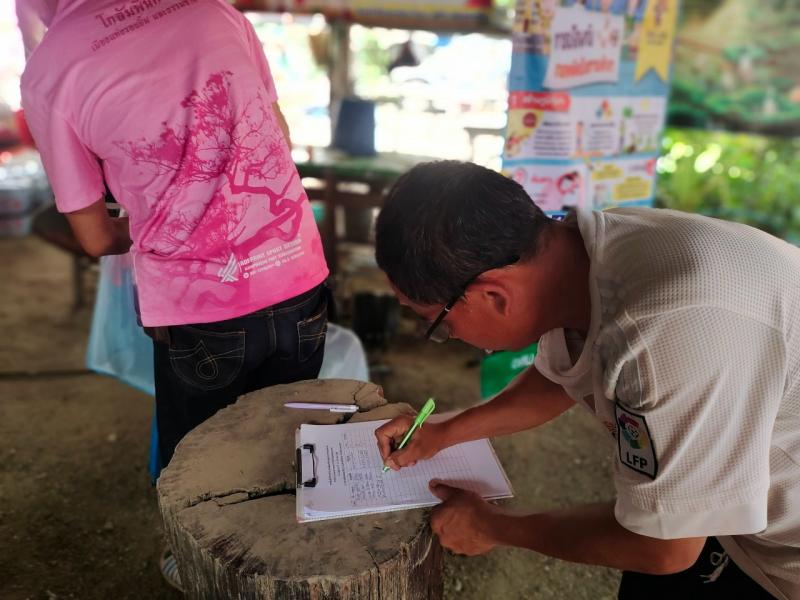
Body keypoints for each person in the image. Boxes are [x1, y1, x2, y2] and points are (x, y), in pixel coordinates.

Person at [373, 160, 799, 599]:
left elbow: (664, 547)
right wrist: (446, 430)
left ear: (494, 295)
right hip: (729, 508)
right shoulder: (583, 257)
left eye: (438, 325)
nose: (450, 337)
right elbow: (564, 374)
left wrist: (492, 527)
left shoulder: (662, 329)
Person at [20, 0, 329, 588]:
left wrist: (149, 217)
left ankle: (208, 574)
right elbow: (279, 135)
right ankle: (284, 568)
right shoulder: (216, 11)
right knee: (290, 441)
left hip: (200, 308)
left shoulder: (51, 68)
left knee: (198, 463)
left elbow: (91, 236)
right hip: (296, 274)